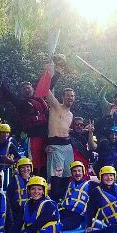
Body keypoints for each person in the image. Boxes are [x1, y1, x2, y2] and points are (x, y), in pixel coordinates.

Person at [0, 65, 61, 177]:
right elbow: (9, 94)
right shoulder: (21, 104)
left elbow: (49, 85)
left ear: (33, 89)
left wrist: (57, 72)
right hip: (33, 136)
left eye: (28, 87)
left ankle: (46, 184)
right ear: (21, 92)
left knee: (47, 160)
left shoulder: (41, 98)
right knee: (34, 161)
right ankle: (32, 182)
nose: (26, 89)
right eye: (24, 88)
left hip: (47, 135)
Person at [43, 69, 76, 199]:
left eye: (72, 96)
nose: (70, 97)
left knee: (68, 174)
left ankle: (63, 201)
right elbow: (46, 90)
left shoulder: (71, 114)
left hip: (67, 146)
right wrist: (57, 73)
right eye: (68, 95)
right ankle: (53, 202)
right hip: (55, 145)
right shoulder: (56, 106)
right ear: (63, 97)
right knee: (56, 176)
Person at [84, 166, 117, 233]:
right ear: (101, 177)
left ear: (114, 177)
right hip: (113, 225)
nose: (109, 178)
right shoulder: (96, 192)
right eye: (106, 175)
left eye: (111, 175)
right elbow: (90, 210)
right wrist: (89, 226)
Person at [59, 161, 92, 230]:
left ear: (83, 172)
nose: (77, 173)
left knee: (63, 226)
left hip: (78, 215)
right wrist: (55, 176)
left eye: (79, 171)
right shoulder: (67, 184)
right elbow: (56, 193)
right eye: (74, 171)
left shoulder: (90, 185)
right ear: (71, 173)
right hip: (64, 212)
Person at [0, 123, 20, 189]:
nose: (5, 134)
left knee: (5, 188)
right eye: (3, 132)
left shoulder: (11, 145)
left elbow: (18, 157)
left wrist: (12, 161)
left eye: (7, 133)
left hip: (6, 170)